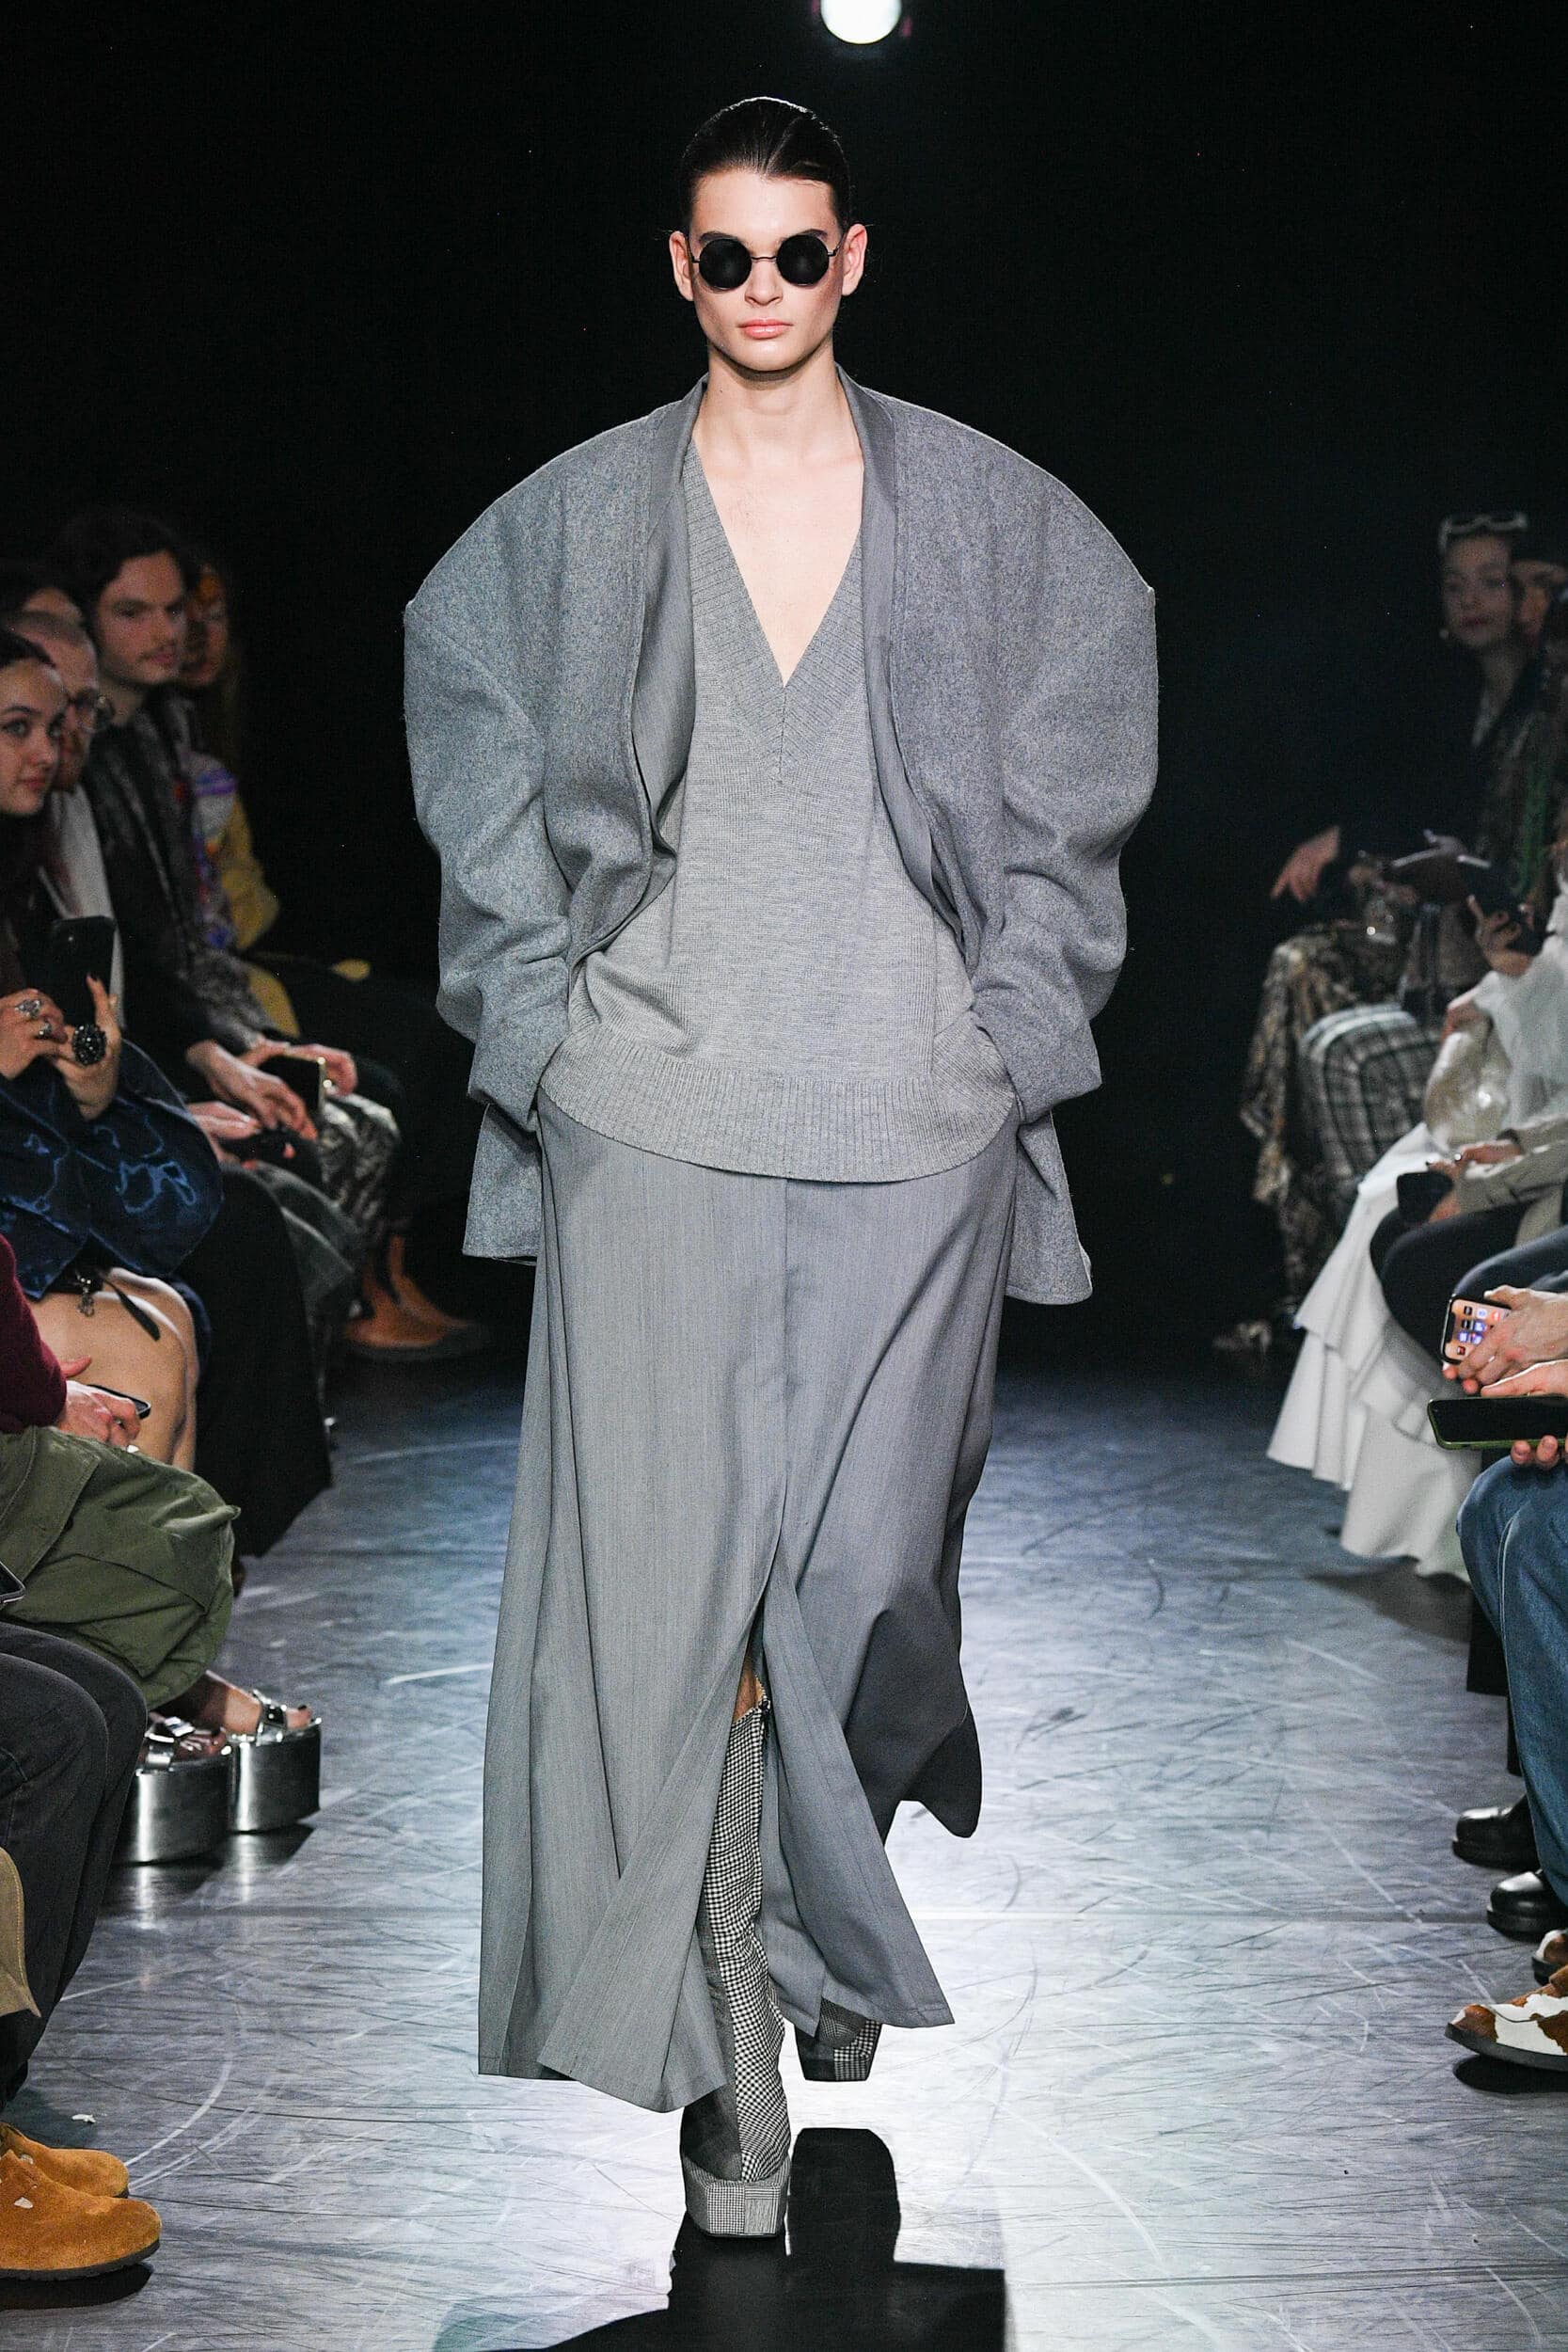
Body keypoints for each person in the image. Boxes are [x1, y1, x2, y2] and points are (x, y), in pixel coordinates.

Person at [406, 97, 1156, 2234]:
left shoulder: (991, 514)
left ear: (851, 261)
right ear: (678, 266)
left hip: (912, 1123)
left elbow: (1089, 725)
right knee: (673, 1614)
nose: (760, 289)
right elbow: (463, 697)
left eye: (795, 253)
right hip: (653, 1119)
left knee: (869, 1589)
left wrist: (1008, 1031)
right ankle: (733, 2038)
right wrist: (542, 1029)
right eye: (723, 255)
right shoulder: (580, 518)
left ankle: (830, 1915)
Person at [1241, 514, 1536, 1309]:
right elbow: (1420, 810)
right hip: (1453, 939)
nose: (1471, 601)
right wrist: (1369, 849)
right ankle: (1314, 1250)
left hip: (1504, 961)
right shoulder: (1456, 696)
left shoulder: (1539, 710)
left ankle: (1355, 1261)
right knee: (1299, 973)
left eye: (1493, 582)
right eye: (1454, 585)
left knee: (1313, 991)